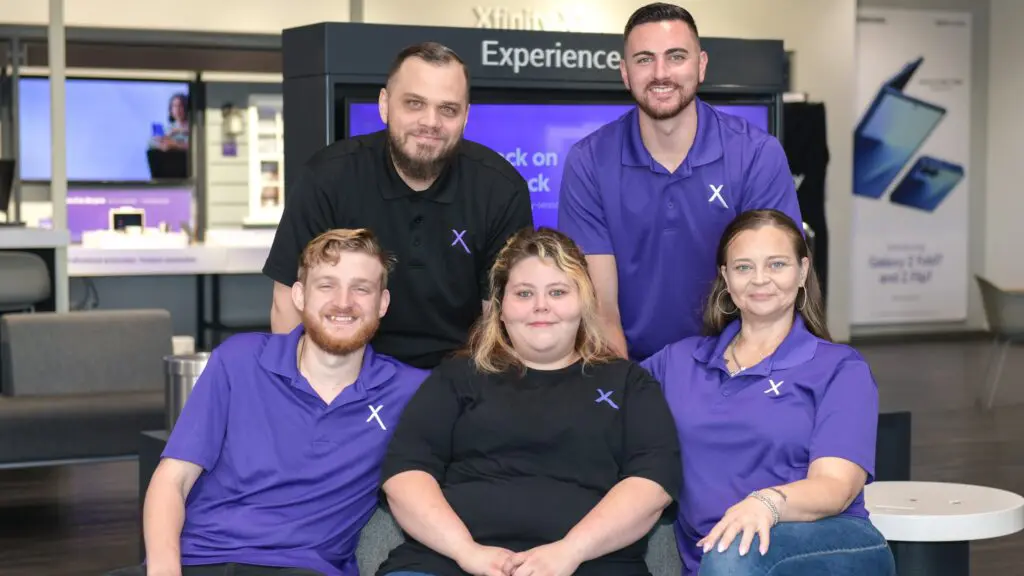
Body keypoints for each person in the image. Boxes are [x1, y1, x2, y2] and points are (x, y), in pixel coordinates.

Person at [374, 227, 681, 576]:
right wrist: (467, 552)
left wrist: (570, 551)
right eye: (523, 293)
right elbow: (405, 474)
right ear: (500, 308)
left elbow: (652, 485)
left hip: (591, 566)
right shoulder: (456, 377)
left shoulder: (630, 384)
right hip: (446, 564)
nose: (541, 306)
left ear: (584, 302)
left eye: (558, 292)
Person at [123, 228, 429, 576]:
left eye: (361, 288)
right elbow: (172, 479)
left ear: (382, 303)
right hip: (196, 560)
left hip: (300, 569)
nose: (343, 302)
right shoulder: (239, 359)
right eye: (326, 285)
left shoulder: (409, 391)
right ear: (299, 296)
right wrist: (164, 569)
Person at [640, 209, 895, 576]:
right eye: (744, 267)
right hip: (716, 557)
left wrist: (766, 504)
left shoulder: (840, 368)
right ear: (725, 278)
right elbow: (600, 401)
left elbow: (836, 487)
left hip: (826, 542)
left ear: (803, 271)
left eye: (777, 265)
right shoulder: (678, 361)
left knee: (733, 555)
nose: (760, 279)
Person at [263, 41, 533, 370]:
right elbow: (287, 302)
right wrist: (301, 396)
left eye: (448, 109)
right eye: (414, 104)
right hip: (346, 377)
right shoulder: (328, 177)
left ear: (465, 117)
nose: (430, 122)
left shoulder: (500, 189)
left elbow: (502, 321)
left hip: (459, 381)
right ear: (385, 105)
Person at [557, 3, 803, 362]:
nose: (660, 73)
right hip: (632, 366)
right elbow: (601, 311)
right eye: (644, 59)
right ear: (625, 73)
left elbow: (770, 299)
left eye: (675, 56)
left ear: (701, 65)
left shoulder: (756, 154)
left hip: (735, 365)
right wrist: (629, 395)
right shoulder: (589, 160)